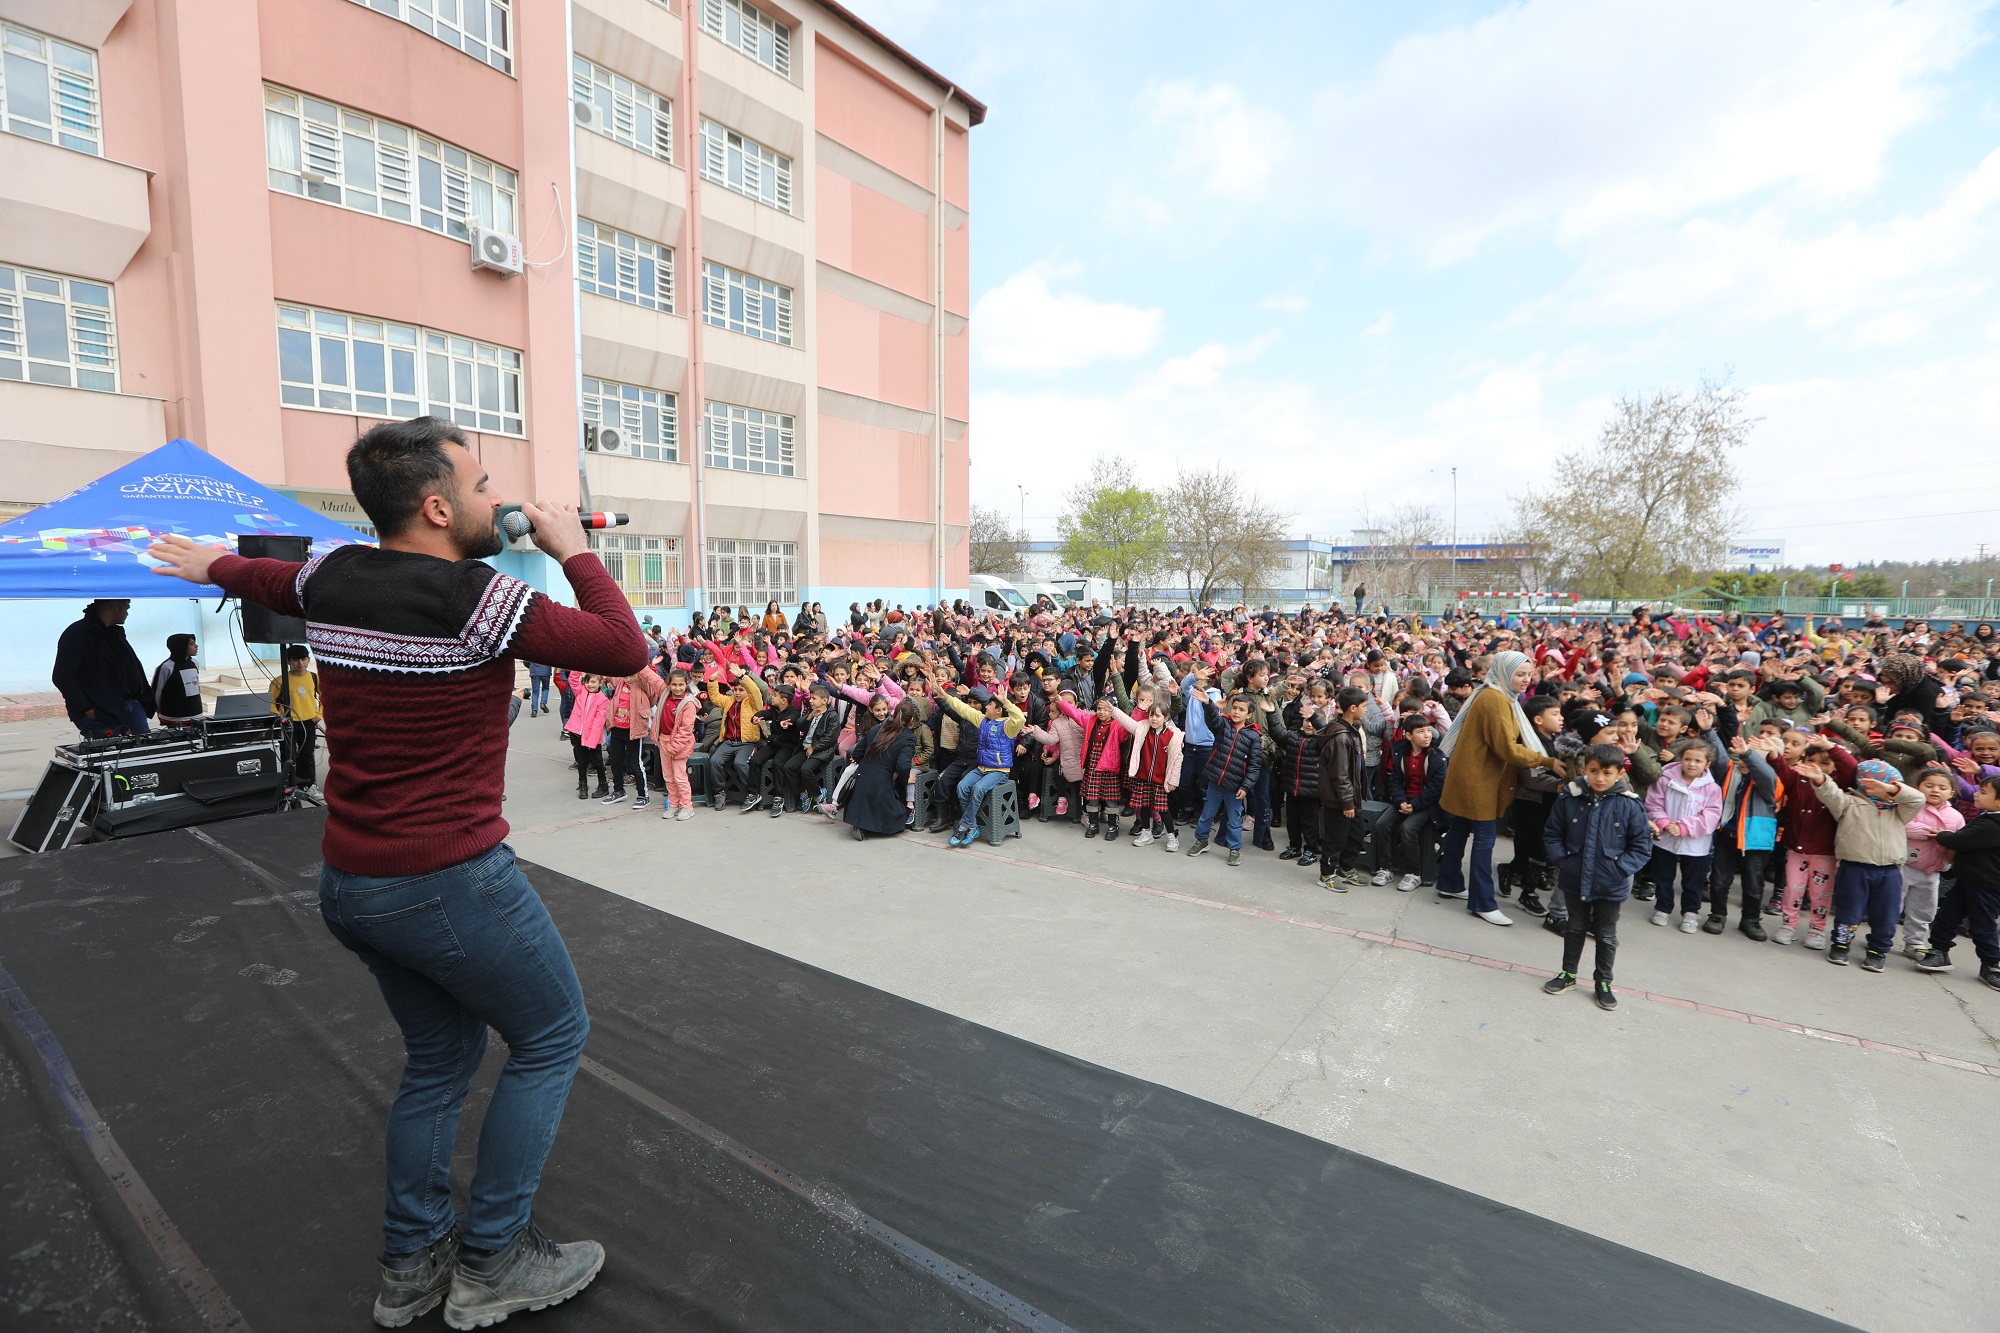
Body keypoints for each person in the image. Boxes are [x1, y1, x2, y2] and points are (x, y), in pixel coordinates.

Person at [146, 415, 647, 1329]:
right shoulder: (473, 596)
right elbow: (623, 648)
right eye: (486, 484)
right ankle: (495, 1259)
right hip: (450, 878)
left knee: (440, 1057)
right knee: (551, 1035)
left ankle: (412, 1265)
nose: (501, 500)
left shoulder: (333, 574)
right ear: (435, 505)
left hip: (351, 879)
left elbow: (267, 576)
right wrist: (572, 549)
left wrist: (212, 564)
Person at [1435, 651, 1564, 926]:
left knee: (1459, 831)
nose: (1525, 680)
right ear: (1505, 673)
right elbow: (1506, 748)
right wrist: (1546, 761)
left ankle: (1450, 883)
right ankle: (1482, 902)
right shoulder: (1496, 698)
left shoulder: (1496, 693)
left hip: (1470, 776)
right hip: (1479, 781)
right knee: (1484, 841)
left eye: (1529, 674)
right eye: (1519, 674)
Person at [1539, 743, 1655, 1011]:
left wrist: (1619, 870)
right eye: (1593, 771)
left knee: (1606, 934)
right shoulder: (1570, 798)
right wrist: (1563, 862)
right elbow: (1553, 833)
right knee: (1575, 928)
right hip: (1574, 877)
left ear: (1619, 773)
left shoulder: (1629, 804)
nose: (1599, 778)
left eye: (1607, 773)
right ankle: (1568, 974)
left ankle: (1603, 982)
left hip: (1611, 883)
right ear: (1584, 769)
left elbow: (1641, 846)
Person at [1803, 757, 1924, 970]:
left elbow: (1918, 799)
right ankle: (1841, 945)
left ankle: (1878, 950)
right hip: (1855, 868)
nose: (1890, 791)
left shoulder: (1899, 810)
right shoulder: (1850, 803)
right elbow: (1830, 795)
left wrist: (1892, 789)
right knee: (1849, 912)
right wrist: (1821, 779)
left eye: (1895, 786)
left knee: (1887, 916)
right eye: (1885, 784)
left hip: (1890, 871)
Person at [1916, 774, 2000, 989]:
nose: (1976, 794)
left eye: (1983, 792)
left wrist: (1942, 834)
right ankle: (1939, 951)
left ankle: (1991, 964)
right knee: (1947, 916)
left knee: (1982, 926)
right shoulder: (1988, 817)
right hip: (1967, 880)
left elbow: (1960, 841)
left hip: (1987, 888)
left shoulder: (1993, 825)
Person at [52, 598, 152, 738]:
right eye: (126, 609)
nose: (127, 614)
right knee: (110, 757)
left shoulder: (114, 633)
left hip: (130, 705)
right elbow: (62, 676)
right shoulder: (78, 633)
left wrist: (144, 697)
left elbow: (131, 666)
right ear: (115, 609)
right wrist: (87, 708)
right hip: (101, 712)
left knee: (144, 752)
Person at [1369, 713, 1446, 891]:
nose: (1427, 735)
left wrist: (1415, 805)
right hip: (1404, 801)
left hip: (1426, 805)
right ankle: (1386, 868)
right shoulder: (1400, 753)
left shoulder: (1437, 757)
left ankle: (1414, 873)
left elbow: (1436, 789)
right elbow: (1394, 781)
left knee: (1408, 828)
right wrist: (1401, 802)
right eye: (1421, 731)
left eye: (1428, 730)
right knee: (1382, 824)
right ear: (1409, 735)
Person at [1899, 767, 1964, 960]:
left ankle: (1914, 942)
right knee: (1891, 904)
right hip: (1904, 865)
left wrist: (1948, 860)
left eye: (1942, 787)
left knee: (1923, 909)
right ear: (1917, 787)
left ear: (1951, 793)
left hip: (1932, 871)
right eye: (1929, 785)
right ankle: (1880, 936)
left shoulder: (1956, 817)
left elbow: (1959, 840)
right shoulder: (1912, 806)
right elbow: (1900, 825)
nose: (1935, 790)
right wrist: (1926, 831)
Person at [1315, 686, 1370, 890]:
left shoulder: (1351, 729)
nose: (1366, 709)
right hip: (1340, 800)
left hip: (1351, 796)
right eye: (1364, 706)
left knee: (1356, 835)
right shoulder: (1340, 736)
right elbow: (1340, 774)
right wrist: (1347, 801)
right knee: (1335, 839)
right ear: (1352, 707)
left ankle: (1346, 868)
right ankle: (1327, 874)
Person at [845, 697, 920, 841]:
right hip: (883, 784)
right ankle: (867, 825)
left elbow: (856, 753)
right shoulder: (908, 737)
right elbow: (903, 766)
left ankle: (860, 824)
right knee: (897, 817)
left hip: (862, 780)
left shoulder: (876, 728)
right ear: (912, 720)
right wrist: (904, 779)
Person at [269, 645, 323, 789]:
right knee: (288, 756)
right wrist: (280, 717)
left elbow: (326, 698)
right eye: (295, 660)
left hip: (309, 722)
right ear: (288, 662)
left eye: (303, 659)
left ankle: (309, 785)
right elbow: (271, 704)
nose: (300, 663)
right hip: (288, 723)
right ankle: (290, 785)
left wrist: (319, 715)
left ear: (309, 660)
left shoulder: (314, 678)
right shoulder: (279, 681)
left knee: (307, 756)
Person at [152, 632, 204, 727]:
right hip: (175, 717)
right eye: (191, 644)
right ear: (181, 646)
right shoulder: (166, 667)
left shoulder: (194, 663)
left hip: (196, 714)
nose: (196, 646)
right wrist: (158, 708)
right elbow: (157, 690)